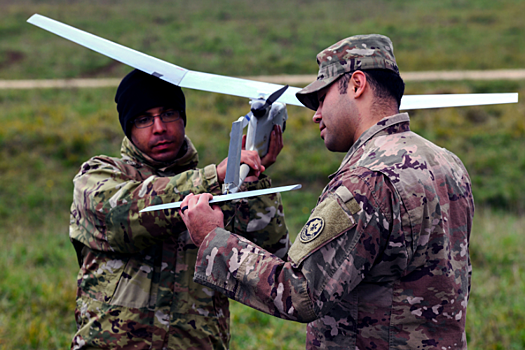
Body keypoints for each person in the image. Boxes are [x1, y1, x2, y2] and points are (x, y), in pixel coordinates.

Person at [179, 34, 475, 349]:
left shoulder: (365, 181)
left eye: (321, 99)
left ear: (357, 85)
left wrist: (212, 238)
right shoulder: (447, 163)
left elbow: (300, 292)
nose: (315, 114)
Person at [69, 69, 290, 350]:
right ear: (128, 127)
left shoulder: (221, 190)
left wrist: (251, 181)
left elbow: (272, 260)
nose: (159, 127)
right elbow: (124, 215)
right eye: (143, 119)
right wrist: (213, 178)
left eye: (169, 114)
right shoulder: (99, 176)